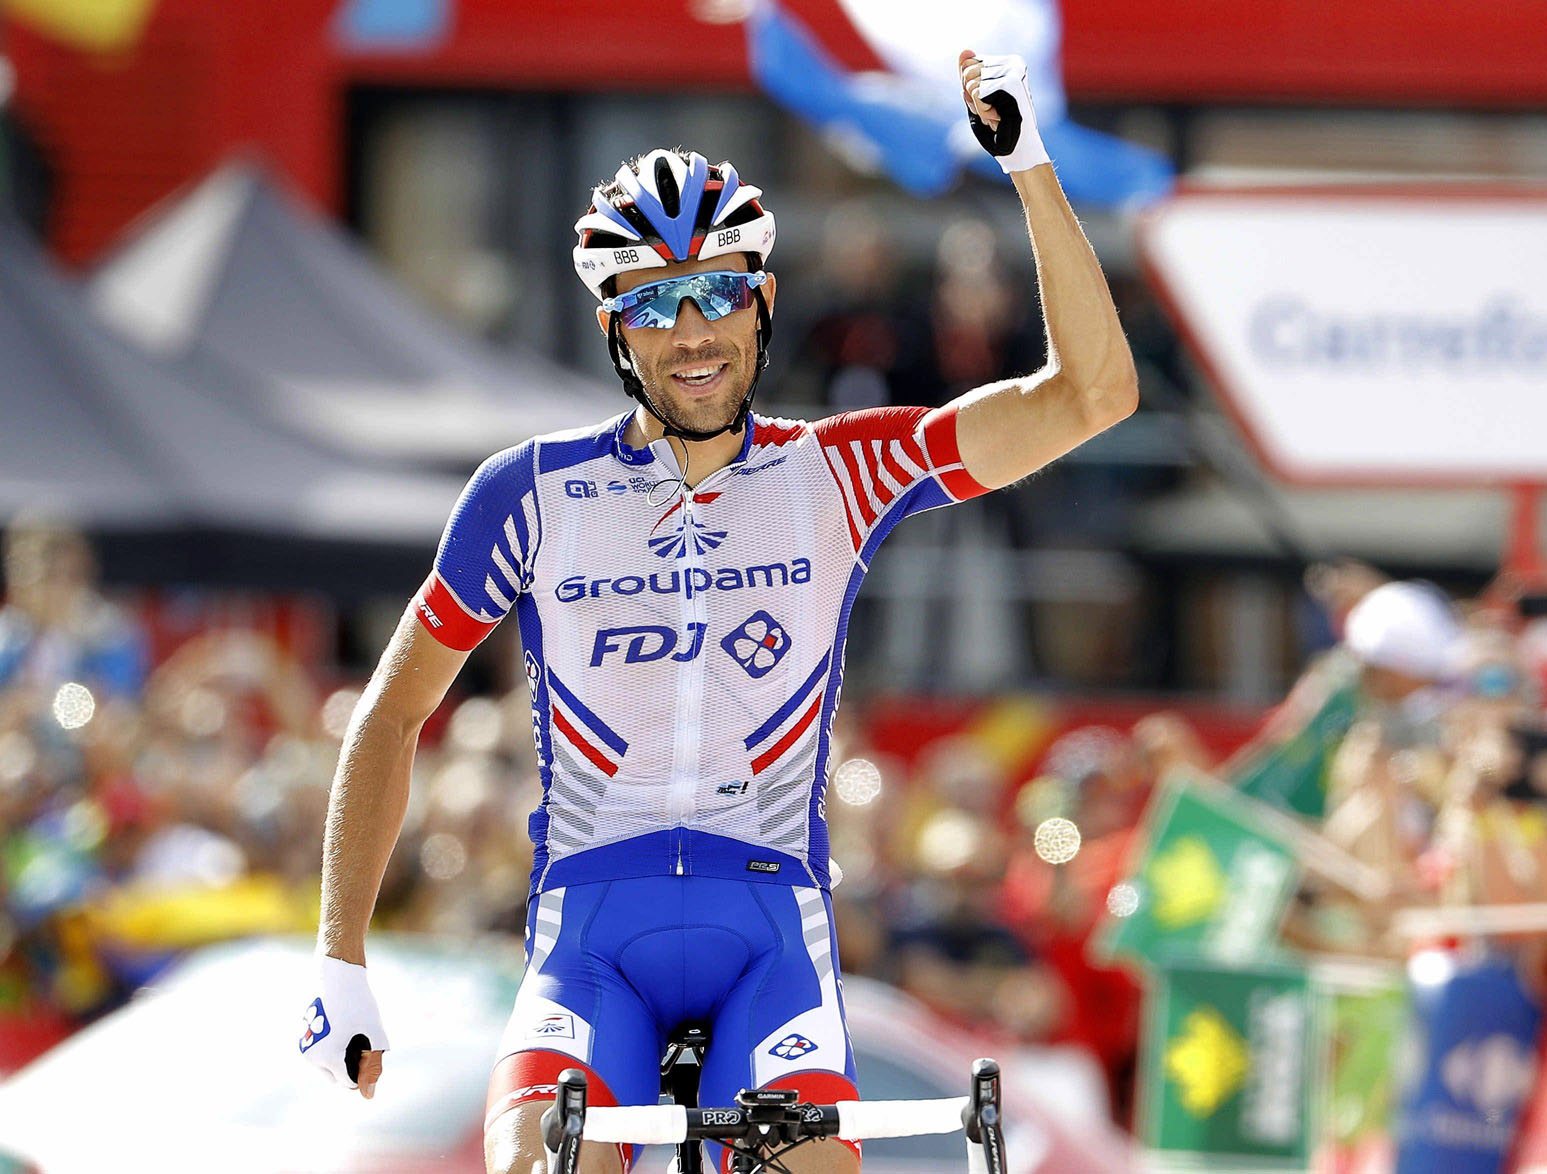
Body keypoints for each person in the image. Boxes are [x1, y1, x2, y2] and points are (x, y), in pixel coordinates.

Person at [299, 51, 1138, 1174]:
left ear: (765, 302)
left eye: (720, 293)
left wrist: (1026, 163)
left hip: (770, 938)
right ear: (615, 328)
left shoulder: (840, 472)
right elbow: (392, 713)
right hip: (590, 943)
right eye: (654, 302)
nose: (693, 331)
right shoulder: (530, 494)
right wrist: (340, 957)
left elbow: (1093, 396)